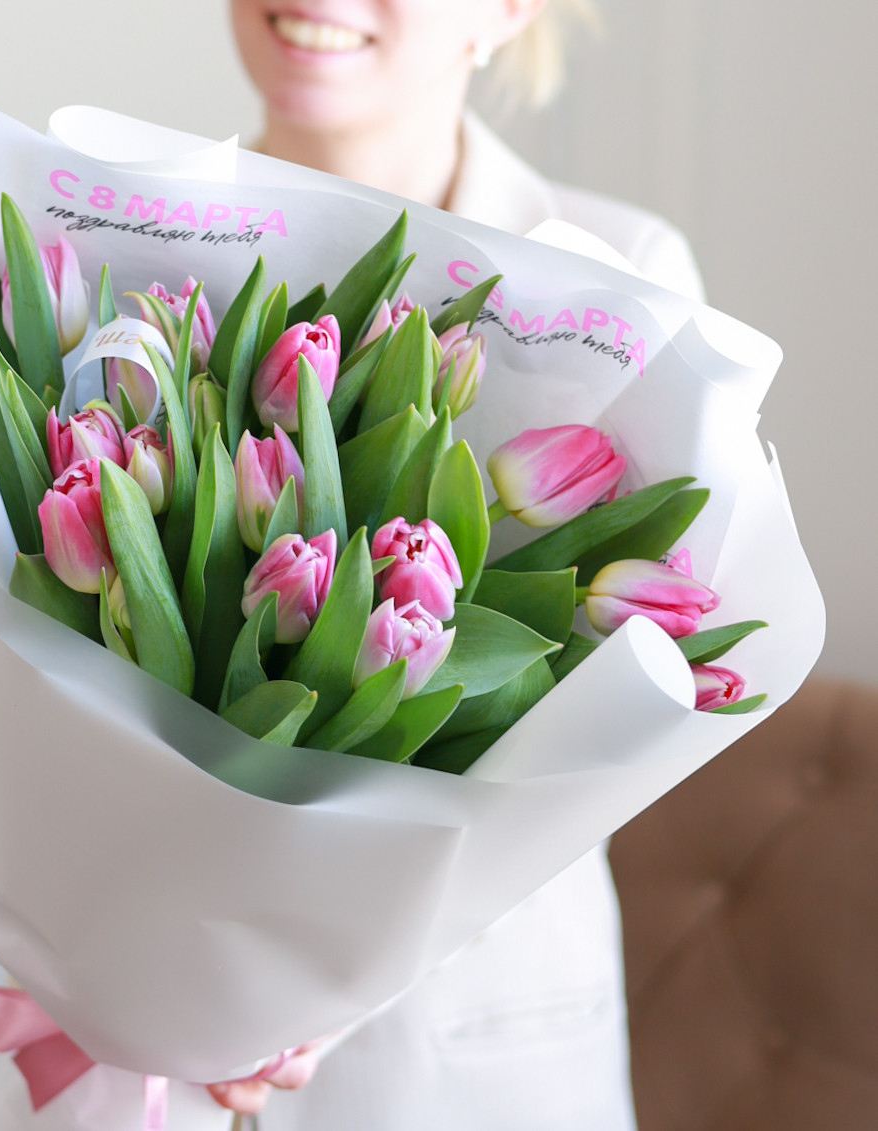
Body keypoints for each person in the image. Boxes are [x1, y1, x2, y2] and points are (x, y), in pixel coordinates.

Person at [207, 1, 705, 1127]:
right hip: (158, 1007)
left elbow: (630, 705)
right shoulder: (135, 233)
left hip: (463, 1034)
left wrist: (340, 963)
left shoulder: (625, 272)